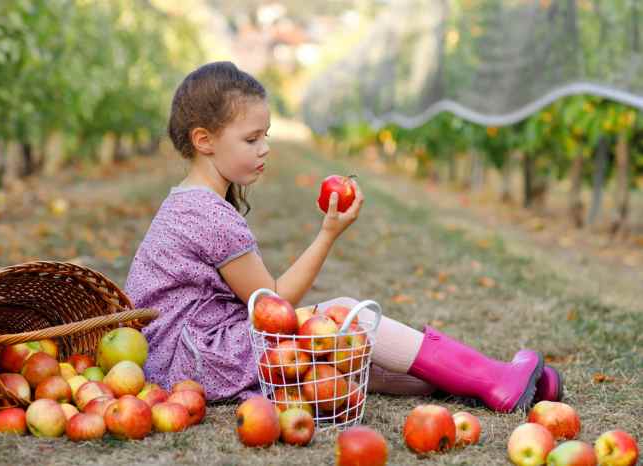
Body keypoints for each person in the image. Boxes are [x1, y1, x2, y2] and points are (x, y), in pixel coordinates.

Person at [124, 61, 562, 412]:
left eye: (267, 136)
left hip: (181, 355)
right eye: (252, 138)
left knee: (346, 357)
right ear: (204, 140)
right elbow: (274, 303)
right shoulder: (207, 214)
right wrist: (328, 234)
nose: (265, 149)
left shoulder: (190, 201)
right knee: (343, 316)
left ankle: (491, 381)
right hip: (195, 359)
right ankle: (493, 379)